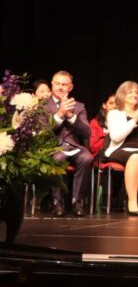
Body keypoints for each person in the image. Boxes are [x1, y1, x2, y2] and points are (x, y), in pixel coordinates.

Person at [42, 71, 94, 217]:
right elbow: (41, 132)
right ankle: (57, 202)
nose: (60, 87)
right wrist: (60, 114)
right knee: (58, 158)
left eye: (64, 84)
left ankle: (77, 201)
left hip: (74, 146)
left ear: (70, 87)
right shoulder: (42, 105)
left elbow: (87, 133)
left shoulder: (78, 106)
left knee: (87, 158)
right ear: (52, 84)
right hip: (52, 147)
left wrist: (71, 115)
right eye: (57, 83)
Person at [104, 81, 138, 215]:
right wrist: (134, 120)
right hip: (120, 149)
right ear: (122, 95)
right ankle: (132, 201)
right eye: (130, 92)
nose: (134, 94)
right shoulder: (114, 114)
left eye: (136, 92)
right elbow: (116, 137)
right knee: (134, 157)